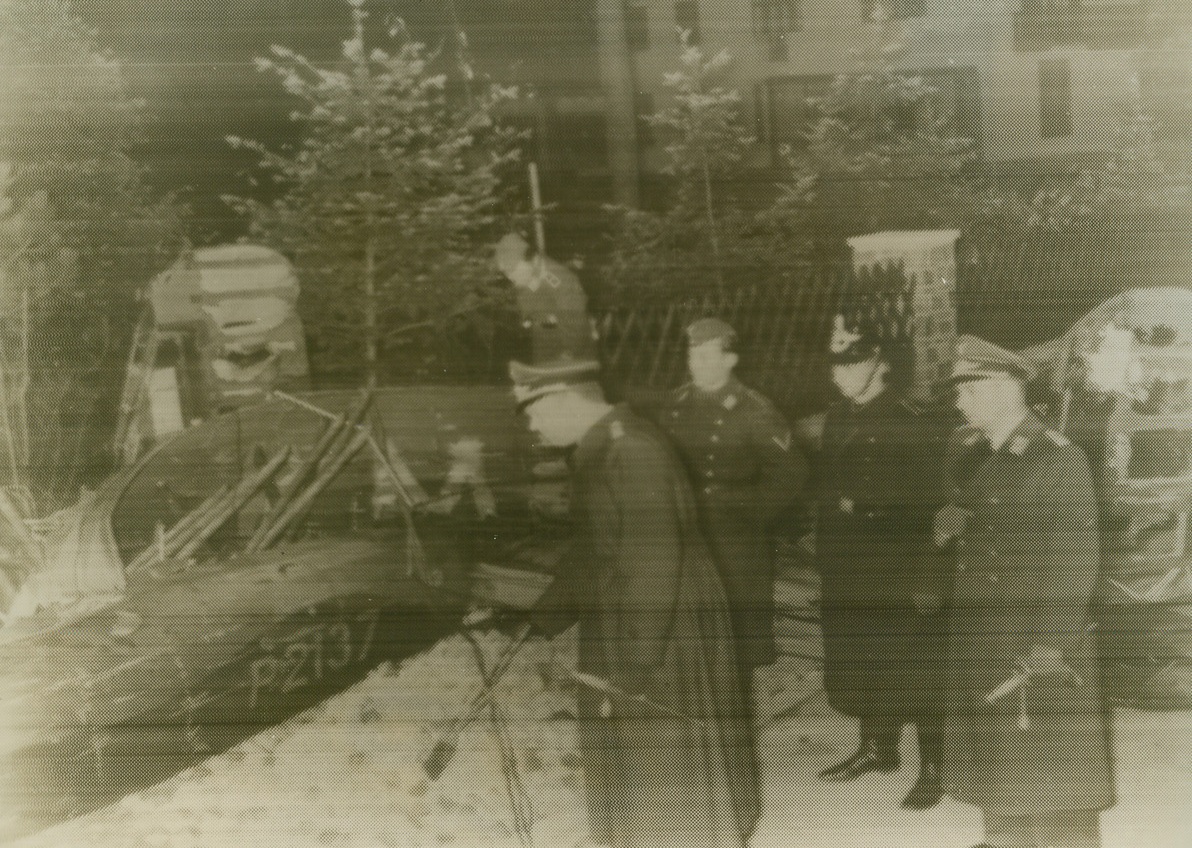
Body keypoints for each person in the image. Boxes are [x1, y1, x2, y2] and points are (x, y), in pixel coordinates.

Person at [510, 357, 760, 848]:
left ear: (563, 398)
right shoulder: (604, 447)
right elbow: (594, 548)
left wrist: (637, 664)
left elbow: (652, 561)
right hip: (636, 609)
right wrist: (546, 615)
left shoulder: (631, 450)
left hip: (662, 619)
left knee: (659, 746)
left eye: (533, 412)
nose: (532, 426)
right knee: (636, 748)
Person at [935, 335, 1114, 848]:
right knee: (999, 756)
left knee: (1051, 770)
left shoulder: (1057, 459)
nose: (958, 403)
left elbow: (1075, 561)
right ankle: (1004, 839)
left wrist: (1051, 644)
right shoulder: (975, 452)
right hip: (987, 631)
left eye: (967, 392)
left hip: (1037, 639)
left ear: (1003, 389)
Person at [815, 314, 951, 810]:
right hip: (851, 567)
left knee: (915, 669)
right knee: (863, 660)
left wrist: (869, 509)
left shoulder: (910, 421)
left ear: (879, 365)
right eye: (837, 365)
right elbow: (827, 490)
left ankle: (934, 768)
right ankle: (877, 748)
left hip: (898, 565)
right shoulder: (839, 417)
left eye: (851, 365)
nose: (839, 374)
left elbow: (932, 502)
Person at [663, 317, 807, 682]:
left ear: (730, 360)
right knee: (690, 636)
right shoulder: (676, 404)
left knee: (735, 640)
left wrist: (747, 510)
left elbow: (792, 474)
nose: (698, 364)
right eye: (694, 355)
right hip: (685, 537)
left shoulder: (753, 410)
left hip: (734, 542)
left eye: (708, 356)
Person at [495, 232, 598, 363]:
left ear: (532, 260)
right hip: (545, 356)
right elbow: (528, 318)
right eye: (506, 272)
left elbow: (575, 331)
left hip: (574, 361)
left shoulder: (562, 280)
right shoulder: (527, 281)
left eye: (513, 269)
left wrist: (560, 363)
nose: (510, 277)